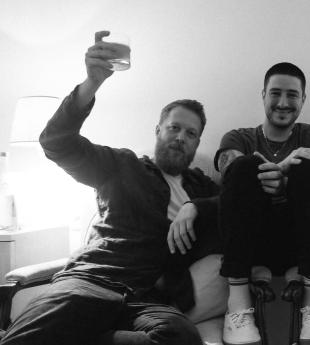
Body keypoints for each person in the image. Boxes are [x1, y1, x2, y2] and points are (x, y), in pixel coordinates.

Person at [0, 31, 220, 345]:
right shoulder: (122, 165)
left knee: (181, 337)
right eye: (174, 127)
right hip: (94, 279)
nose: (181, 137)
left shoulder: (201, 187)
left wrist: (197, 206)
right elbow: (56, 144)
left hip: (148, 296)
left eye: (191, 133)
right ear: (158, 130)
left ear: (197, 142)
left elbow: (234, 205)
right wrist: (92, 83)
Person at [214, 62, 310, 345]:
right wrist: (281, 167)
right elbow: (229, 176)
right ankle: (237, 304)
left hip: (302, 242)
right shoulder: (239, 137)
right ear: (263, 95)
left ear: (303, 100)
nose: (283, 103)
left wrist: (287, 178)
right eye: (275, 93)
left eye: (292, 95)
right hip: (252, 243)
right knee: (244, 166)